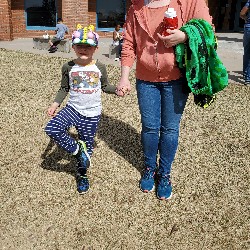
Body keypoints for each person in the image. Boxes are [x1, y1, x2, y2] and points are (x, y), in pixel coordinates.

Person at [116, 0, 213, 200]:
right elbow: (129, 43)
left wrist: (185, 36)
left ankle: (165, 173)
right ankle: (150, 168)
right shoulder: (136, 6)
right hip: (145, 80)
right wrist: (124, 77)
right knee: (150, 127)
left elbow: (208, 31)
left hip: (176, 80)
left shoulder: (189, 2)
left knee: (170, 128)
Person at [44, 25, 116, 194]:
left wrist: (117, 90)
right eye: (79, 46)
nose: (83, 49)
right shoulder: (67, 67)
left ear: (96, 49)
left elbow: (105, 86)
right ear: (73, 47)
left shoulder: (100, 67)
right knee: (52, 128)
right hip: (72, 109)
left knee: (88, 149)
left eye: (88, 46)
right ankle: (77, 151)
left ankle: (82, 174)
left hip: (92, 114)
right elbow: (64, 88)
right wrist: (55, 104)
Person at [240, 0, 250, 85]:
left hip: (249, 27)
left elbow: (242, 13)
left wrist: (246, 19)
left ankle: (246, 75)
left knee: (247, 53)